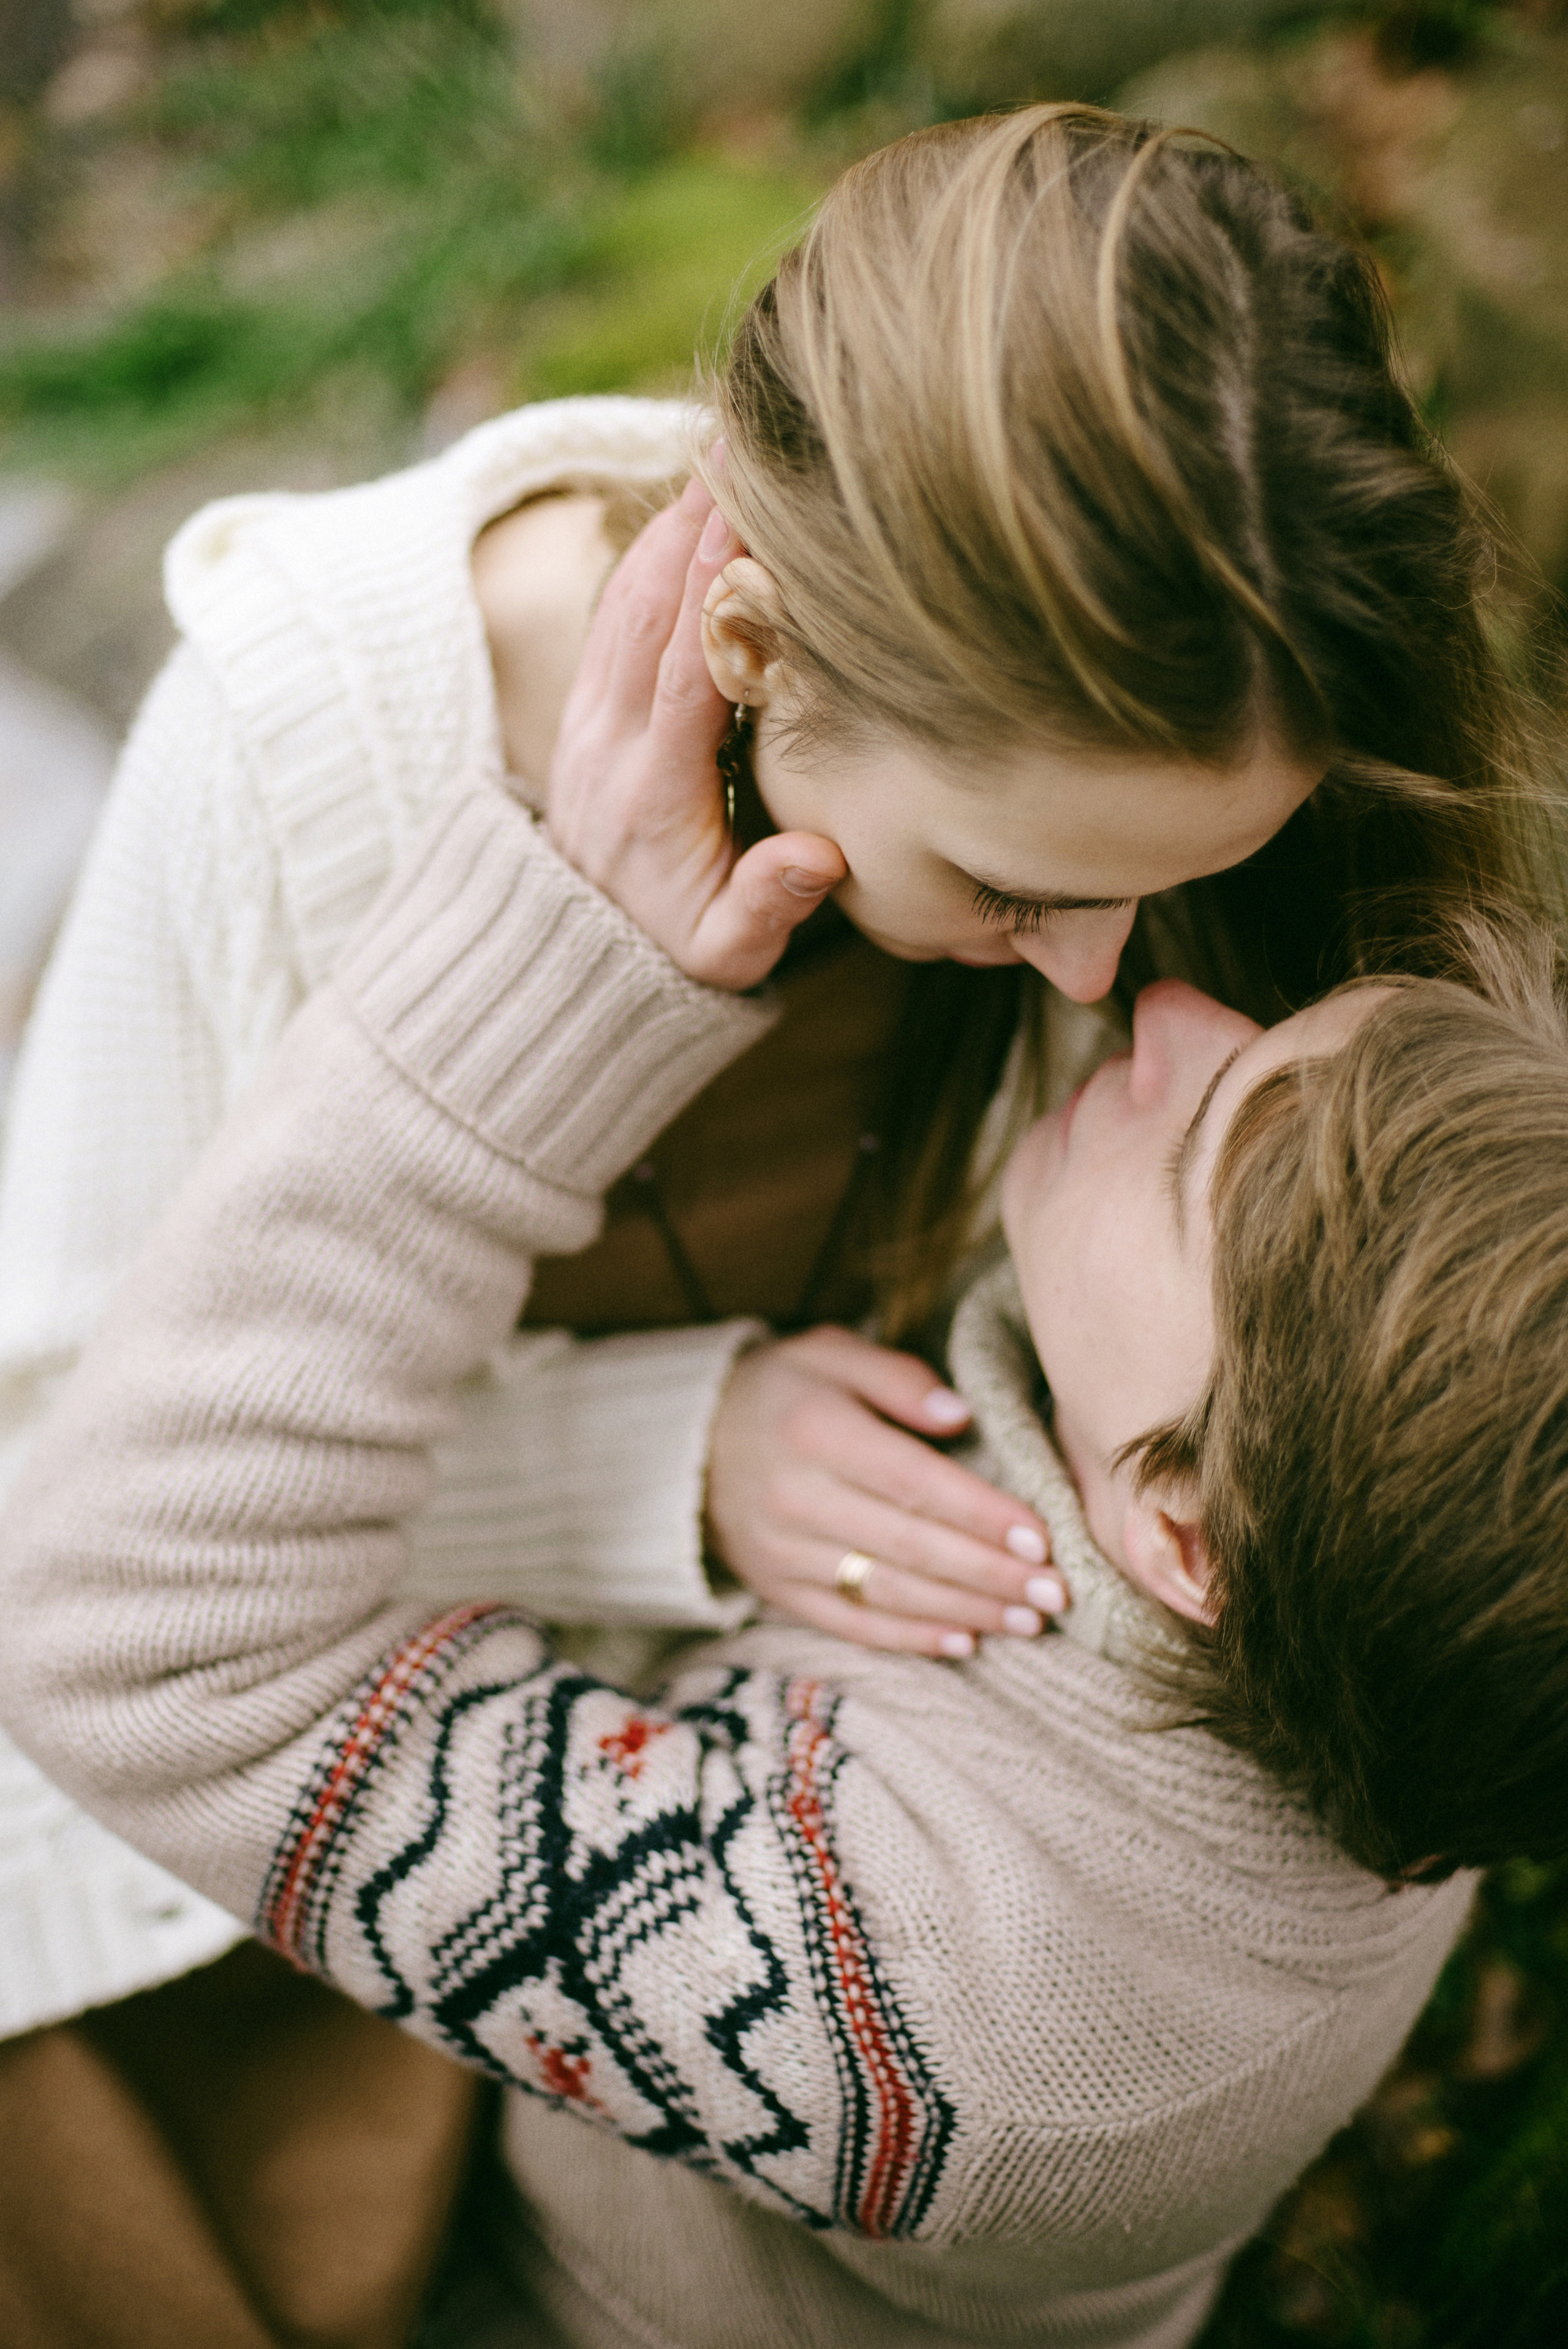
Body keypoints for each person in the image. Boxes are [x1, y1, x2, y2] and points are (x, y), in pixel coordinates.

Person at [0, 98, 1559, 2340]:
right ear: (750, 642)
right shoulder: (311, 740)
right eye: (1015, 888)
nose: (1121, 986)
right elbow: (65, 1499)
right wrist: (659, 1461)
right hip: (245, 1935)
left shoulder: (1201, 857)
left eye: (1165, 891)